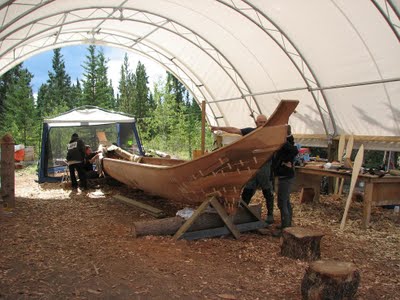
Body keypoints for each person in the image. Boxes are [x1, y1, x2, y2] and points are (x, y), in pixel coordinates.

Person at [210, 114, 275, 224]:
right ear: (256, 123)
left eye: (264, 122)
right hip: (252, 167)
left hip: (265, 167)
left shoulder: (271, 135)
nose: (262, 124)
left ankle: (270, 215)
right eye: (260, 122)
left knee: (267, 191)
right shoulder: (251, 132)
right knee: (248, 190)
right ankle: (242, 213)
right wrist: (219, 128)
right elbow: (234, 130)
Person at [272, 125, 299, 236]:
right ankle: (287, 224)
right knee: (285, 201)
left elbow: (294, 151)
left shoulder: (285, 142)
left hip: (285, 177)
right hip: (285, 176)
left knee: (282, 202)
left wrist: (285, 162)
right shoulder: (288, 140)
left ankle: (285, 229)